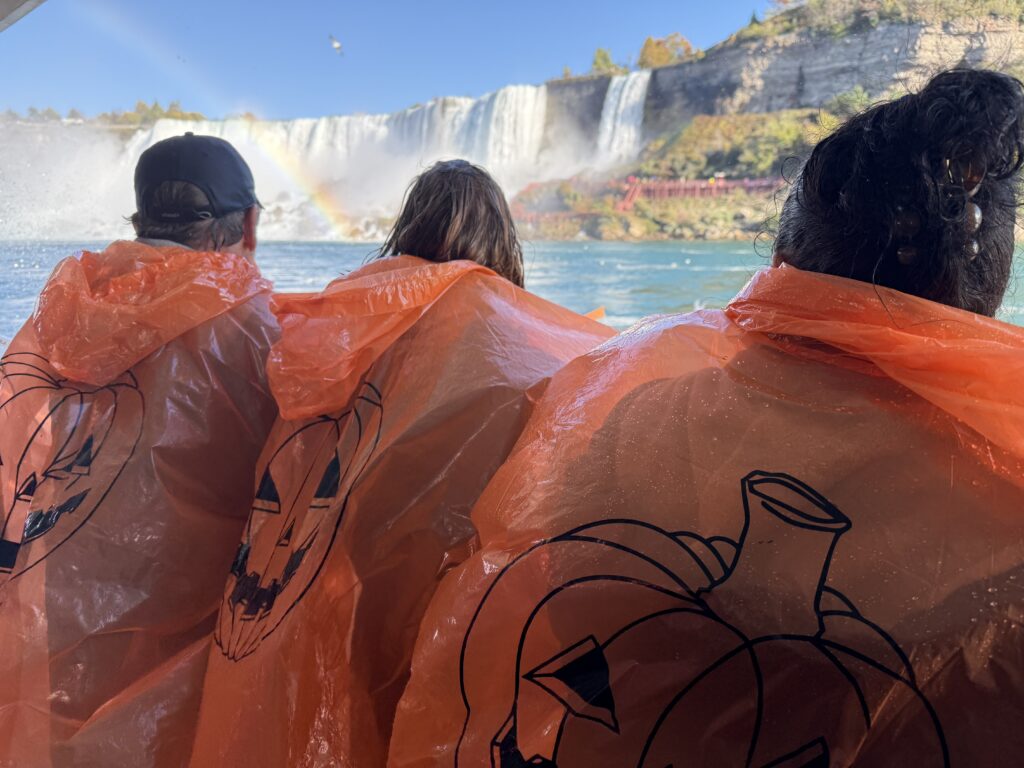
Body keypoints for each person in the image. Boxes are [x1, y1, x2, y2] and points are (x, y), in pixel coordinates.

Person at [389, 70, 1024, 767]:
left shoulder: (630, 422)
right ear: (987, 301)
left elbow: (545, 620)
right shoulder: (1007, 506)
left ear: (781, 265)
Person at [188, 160, 613, 768]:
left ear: (407, 228)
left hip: (308, 578)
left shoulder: (339, 322)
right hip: (430, 601)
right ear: (502, 243)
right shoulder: (519, 343)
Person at [0, 134, 279, 768]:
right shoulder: (260, 333)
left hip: (41, 638)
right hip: (172, 675)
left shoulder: (56, 312)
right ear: (251, 225)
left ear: (140, 218)